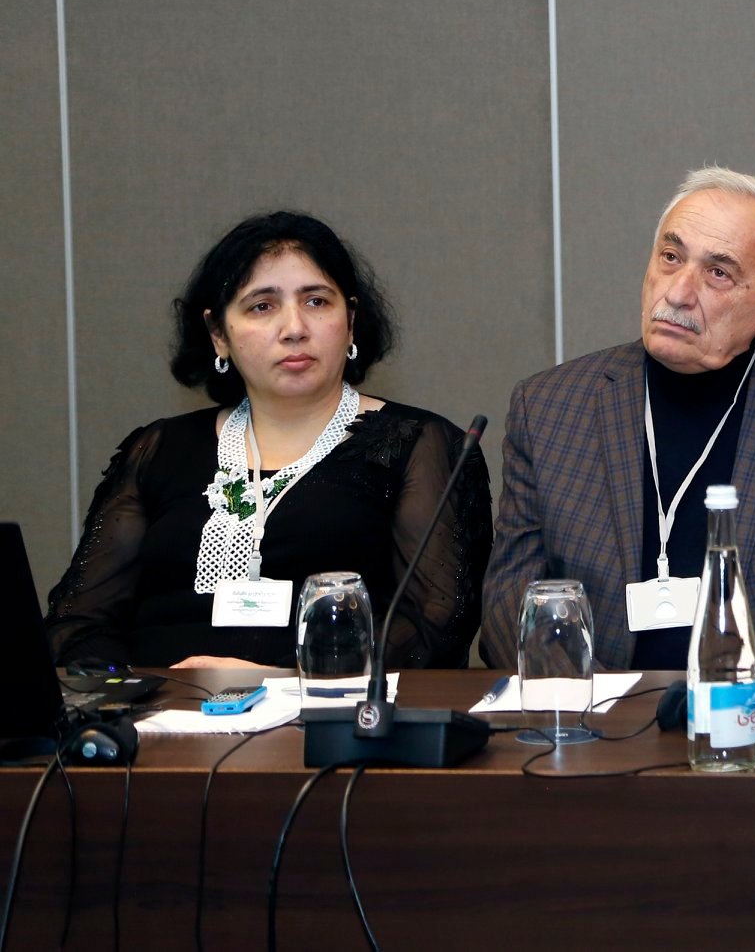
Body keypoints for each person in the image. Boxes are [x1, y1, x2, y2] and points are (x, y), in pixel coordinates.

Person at [481, 166, 755, 672]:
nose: (678, 292)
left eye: (718, 273)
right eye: (671, 257)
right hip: (593, 713)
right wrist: (603, 704)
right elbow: (510, 606)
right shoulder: (550, 408)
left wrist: (734, 703)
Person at [45, 212, 492, 669]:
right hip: (160, 705)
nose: (294, 328)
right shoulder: (157, 449)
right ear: (218, 334)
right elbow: (77, 621)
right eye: (262, 306)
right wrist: (136, 688)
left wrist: (281, 679)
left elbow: (434, 628)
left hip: (322, 706)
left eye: (316, 301)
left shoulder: (419, 446)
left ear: (351, 321)